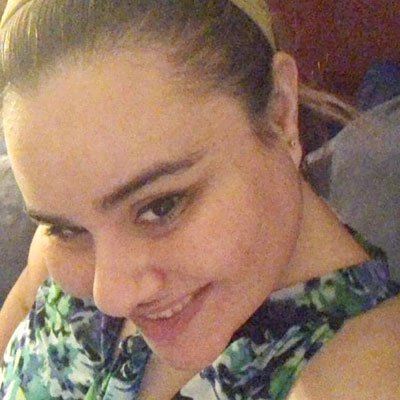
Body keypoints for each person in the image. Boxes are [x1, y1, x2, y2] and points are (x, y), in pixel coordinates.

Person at [0, 1, 399, 399]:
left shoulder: (363, 378)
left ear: (280, 111)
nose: (112, 297)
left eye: (161, 207)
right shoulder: (81, 224)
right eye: (65, 229)